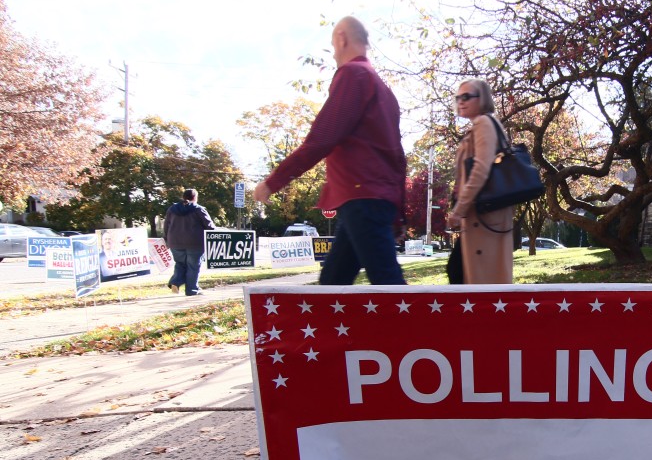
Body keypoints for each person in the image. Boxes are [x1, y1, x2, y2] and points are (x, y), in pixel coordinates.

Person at [252, 16, 407, 285]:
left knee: (389, 285)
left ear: (342, 38)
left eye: (333, 44)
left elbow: (322, 138)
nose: (334, 52)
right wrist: (398, 209)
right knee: (334, 282)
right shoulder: (384, 90)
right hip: (369, 198)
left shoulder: (354, 75)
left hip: (361, 197)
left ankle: (419, 328)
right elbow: (397, 156)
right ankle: (327, 327)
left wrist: (273, 182)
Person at [445, 79, 514, 284]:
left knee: (473, 280)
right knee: (462, 275)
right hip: (481, 216)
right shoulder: (478, 126)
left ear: (482, 99)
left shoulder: (484, 123)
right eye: (458, 97)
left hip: (485, 217)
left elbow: (481, 169)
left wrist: (459, 210)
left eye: (467, 96)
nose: (461, 101)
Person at [163, 188, 215, 296]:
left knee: (180, 264)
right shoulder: (198, 209)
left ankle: (175, 282)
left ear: (183, 197)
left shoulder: (172, 209)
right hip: (195, 243)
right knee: (193, 266)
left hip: (175, 242)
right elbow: (209, 226)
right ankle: (192, 290)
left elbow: (166, 226)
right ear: (195, 197)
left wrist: (166, 240)